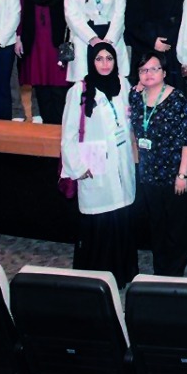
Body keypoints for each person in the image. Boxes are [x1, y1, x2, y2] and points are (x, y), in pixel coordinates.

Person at [60, 42, 137, 285]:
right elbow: (69, 133)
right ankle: (96, 278)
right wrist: (78, 167)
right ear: (91, 62)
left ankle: (122, 274)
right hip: (93, 158)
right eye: (99, 59)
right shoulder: (79, 90)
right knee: (99, 218)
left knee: (120, 216)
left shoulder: (123, 85)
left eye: (109, 59)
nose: (104, 64)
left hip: (122, 158)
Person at [129, 50, 187, 277]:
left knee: (176, 228)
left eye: (154, 69)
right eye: (143, 70)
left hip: (175, 174)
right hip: (148, 175)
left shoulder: (177, 99)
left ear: (164, 72)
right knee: (157, 225)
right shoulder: (135, 97)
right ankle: (160, 270)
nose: (149, 74)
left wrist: (183, 174)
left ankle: (174, 273)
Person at [16, 0, 71, 124]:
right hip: (35, 42)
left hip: (58, 43)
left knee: (59, 88)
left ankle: (61, 126)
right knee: (41, 88)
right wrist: (18, 37)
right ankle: (48, 127)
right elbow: (21, 12)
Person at [125, 0, 185, 89]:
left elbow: (180, 22)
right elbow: (131, 26)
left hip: (169, 56)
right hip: (141, 56)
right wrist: (152, 41)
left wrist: (167, 41)